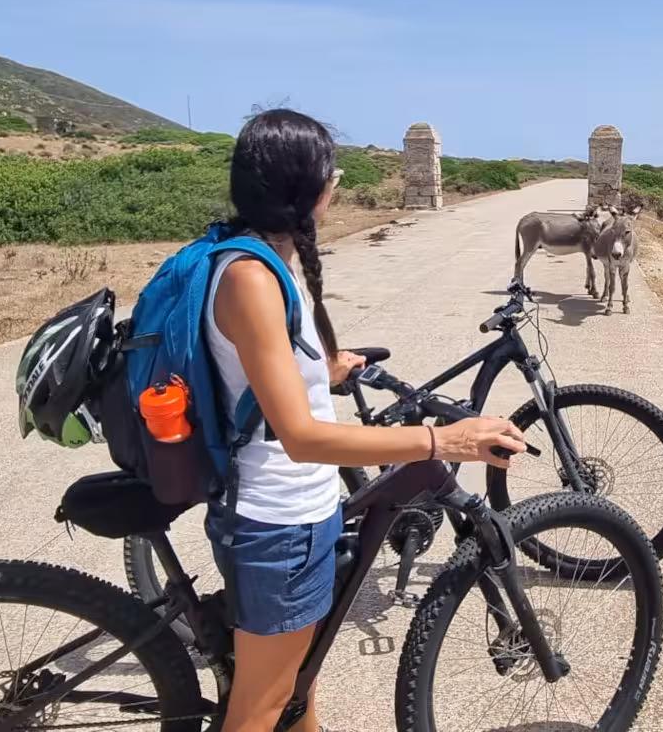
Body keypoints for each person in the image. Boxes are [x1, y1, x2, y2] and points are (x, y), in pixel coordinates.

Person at [206, 109, 525, 732]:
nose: (340, 183)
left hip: (290, 513)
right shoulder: (251, 278)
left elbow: (250, 377)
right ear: (309, 190)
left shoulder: (253, 258)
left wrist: (315, 374)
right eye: (334, 173)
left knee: (298, 690)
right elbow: (299, 438)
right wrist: (443, 439)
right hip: (280, 522)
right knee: (260, 708)